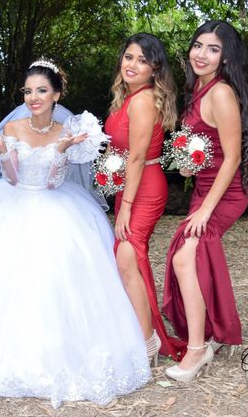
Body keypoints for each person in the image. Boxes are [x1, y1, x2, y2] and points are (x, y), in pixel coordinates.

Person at [0, 59, 150, 408]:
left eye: (41, 91)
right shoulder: (12, 127)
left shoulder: (65, 131)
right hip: (12, 202)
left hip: (56, 206)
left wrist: (62, 151)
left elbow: (55, 182)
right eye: (28, 91)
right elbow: (10, 177)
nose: (33, 97)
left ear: (56, 94)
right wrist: (1, 148)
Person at [162, 20, 248, 382]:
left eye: (213, 49)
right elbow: (202, 151)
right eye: (198, 46)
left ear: (226, 57)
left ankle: (198, 350)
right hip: (204, 186)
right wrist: (187, 164)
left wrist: (205, 209)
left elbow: (231, 158)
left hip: (227, 191)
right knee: (188, 257)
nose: (202, 54)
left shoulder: (220, 92)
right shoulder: (197, 90)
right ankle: (207, 336)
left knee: (186, 257)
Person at [104, 33, 185, 364]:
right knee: (130, 259)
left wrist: (124, 207)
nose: (132, 64)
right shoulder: (128, 97)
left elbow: (137, 157)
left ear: (155, 69)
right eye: (128, 57)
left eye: (142, 60)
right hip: (131, 184)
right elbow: (119, 148)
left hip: (145, 185)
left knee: (127, 255)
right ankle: (144, 332)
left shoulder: (141, 100)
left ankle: (147, 340)